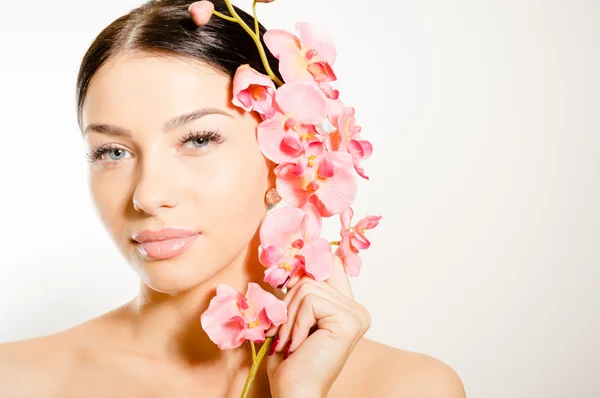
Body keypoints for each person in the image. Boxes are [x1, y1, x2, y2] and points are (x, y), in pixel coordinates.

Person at [0, 0, 465, 396]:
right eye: (112, 151)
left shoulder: (410, 387)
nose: (148, 194)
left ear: (287, 154)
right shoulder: (19, 380)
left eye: (198, 139)